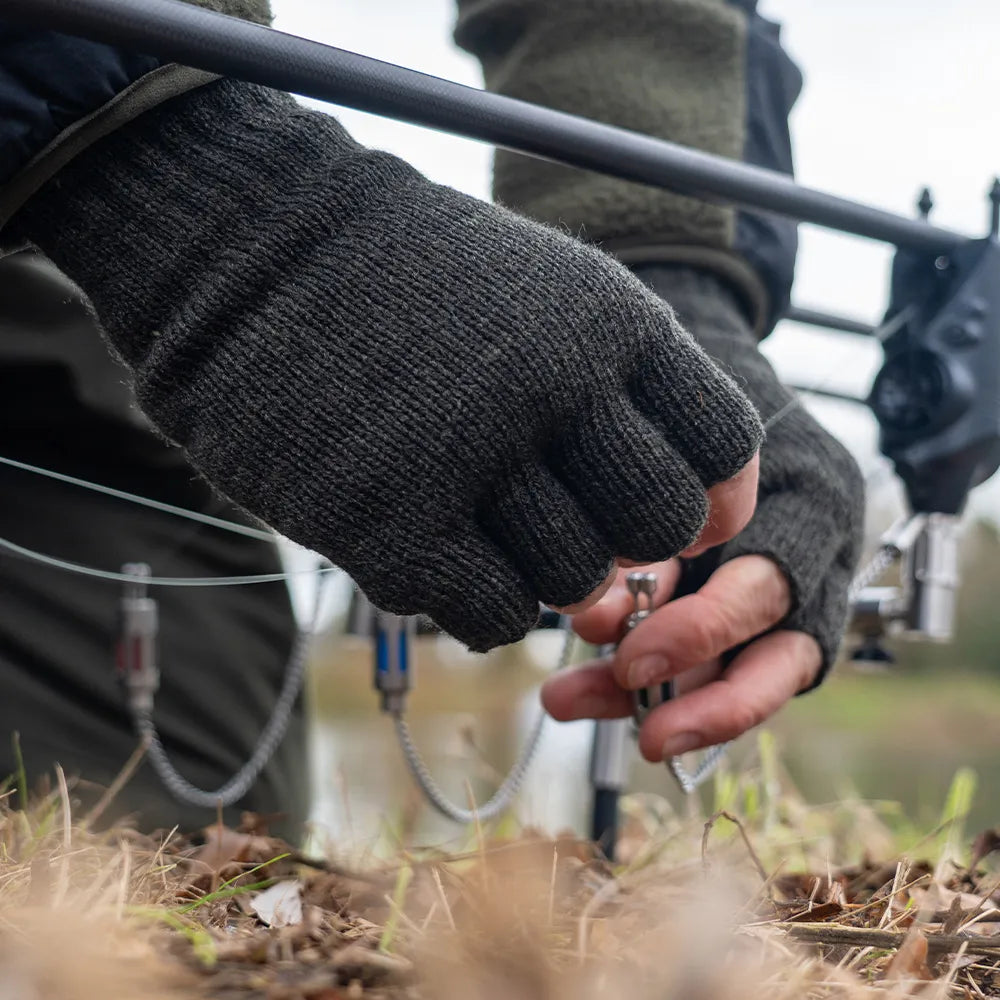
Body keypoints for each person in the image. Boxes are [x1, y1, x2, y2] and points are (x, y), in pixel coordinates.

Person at [0, 0, 862, 835]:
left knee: (196, 833)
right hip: (69, 209)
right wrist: (196, 199)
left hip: (57, 335)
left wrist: (668, 269)